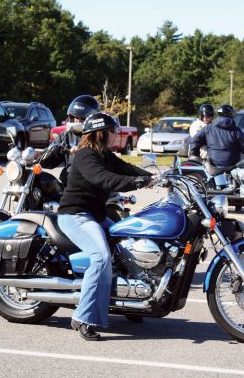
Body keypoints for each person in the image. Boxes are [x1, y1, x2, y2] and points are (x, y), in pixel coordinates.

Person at [57, 112, 154, 341]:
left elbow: (126, 169)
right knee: (100, 258)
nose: (116, 136)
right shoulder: (85, 156)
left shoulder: (105, 155)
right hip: (75, 216)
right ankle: (83, 316)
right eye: (113, 132)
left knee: (129, 244)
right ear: (102, 133)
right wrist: (138, 183)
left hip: (95, 215)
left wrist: (151, 176)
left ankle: (131, 303)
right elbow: (104, 179)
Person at [190, 104, 244, 186]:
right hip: (232, 164)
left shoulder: (208, 128)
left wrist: (194, 155)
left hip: (213, 163)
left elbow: (195, 140)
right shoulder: (236, 131)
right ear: (231, 115)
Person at [56, 95, 100, 186]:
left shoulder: (97, 135)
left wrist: (81, 149)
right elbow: (53, 148)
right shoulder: (66, 135)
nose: (77, 121)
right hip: (69, 180)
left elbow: (101, 152)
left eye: (82, 118)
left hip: (88, 182)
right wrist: (38, 155)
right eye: (75, 117)